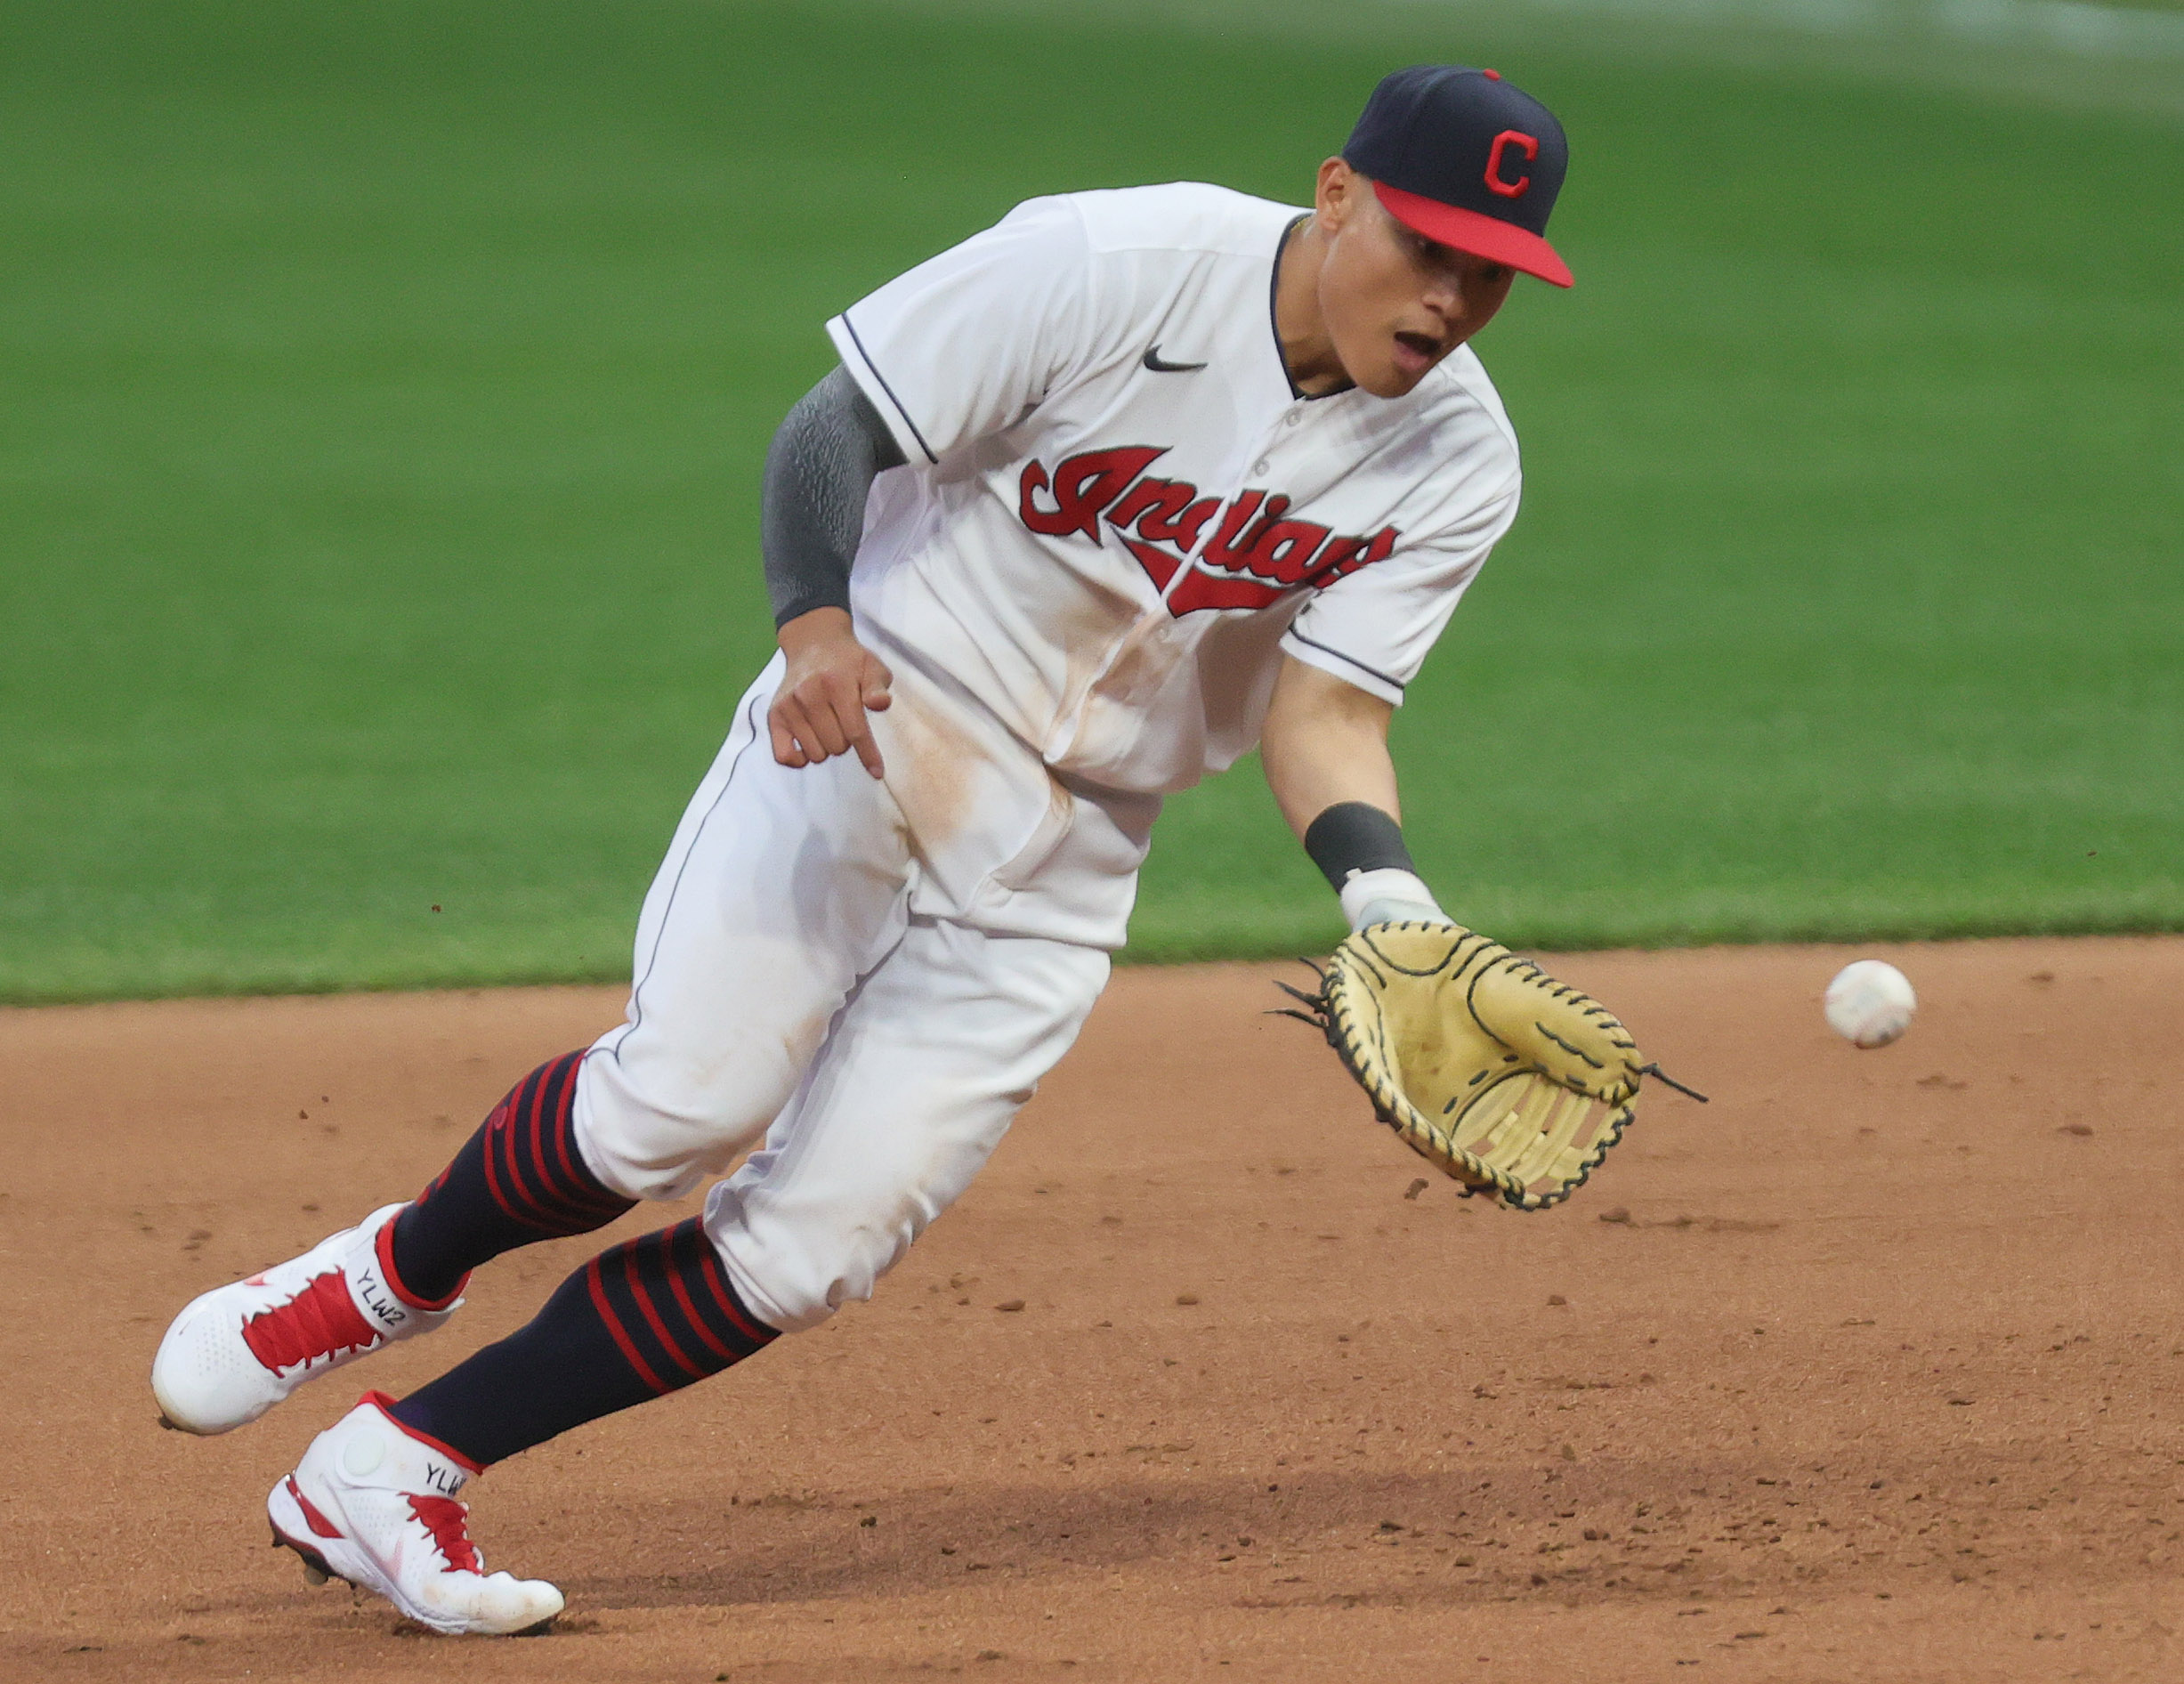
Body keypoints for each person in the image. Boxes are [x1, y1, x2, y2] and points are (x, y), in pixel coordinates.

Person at [151, 63, 1576, 1635]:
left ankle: (394, 1465)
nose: (1452, 298)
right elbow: (835, 427)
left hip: (1075, 847)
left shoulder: (1459, 461)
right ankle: (383, 1280)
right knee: (675, 1107)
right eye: (1428, 246)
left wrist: (1385, 897)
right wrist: (815, 626)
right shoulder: (1110, 266)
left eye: (1493, 272)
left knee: (813, 1248)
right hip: (877, 714)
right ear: (1333, 195)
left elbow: (1324, 719)